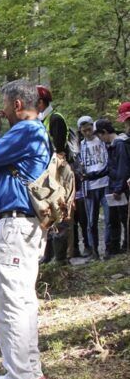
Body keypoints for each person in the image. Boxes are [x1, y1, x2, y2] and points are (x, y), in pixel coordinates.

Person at [0, 79, 50, 379]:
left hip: (15, 225)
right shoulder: (34, 132)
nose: (2, 110)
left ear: (18, 105)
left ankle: (19, 377)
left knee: (10, 303)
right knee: (23, 300)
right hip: (24, 225)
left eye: (5, 105)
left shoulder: (24, 131)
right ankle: (29, 368)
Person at [36, 85, 73, 264]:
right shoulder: (42, 120)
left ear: (41, 102)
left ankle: (60, 258)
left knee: (60, 212)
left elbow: (59, 149)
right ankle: (47, 254)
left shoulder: (55, 119)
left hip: (58, 174)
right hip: (47, 174)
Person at [94, 119, 130, 255]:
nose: (99, 138)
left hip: (120, 189)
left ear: (104, 132)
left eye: (99, 135)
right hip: (114, 186)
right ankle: (114, 249)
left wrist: (118, 189)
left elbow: (123, 168)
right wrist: (91, 175)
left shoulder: (120, 144)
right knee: (113, 219)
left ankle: (126, 246)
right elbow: (110, 168)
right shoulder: (112, 145)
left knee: (124, 218)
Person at [78, 116, 110, 259]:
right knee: (91, 221)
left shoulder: (102, 141)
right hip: (89, 187)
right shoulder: (80, 145)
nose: (87, 132)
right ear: (81, 131)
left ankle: (109, 248)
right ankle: (93, 251)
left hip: (105, 183)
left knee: (109, 219)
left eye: (89, 128)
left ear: (93, 127)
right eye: (84, 130)